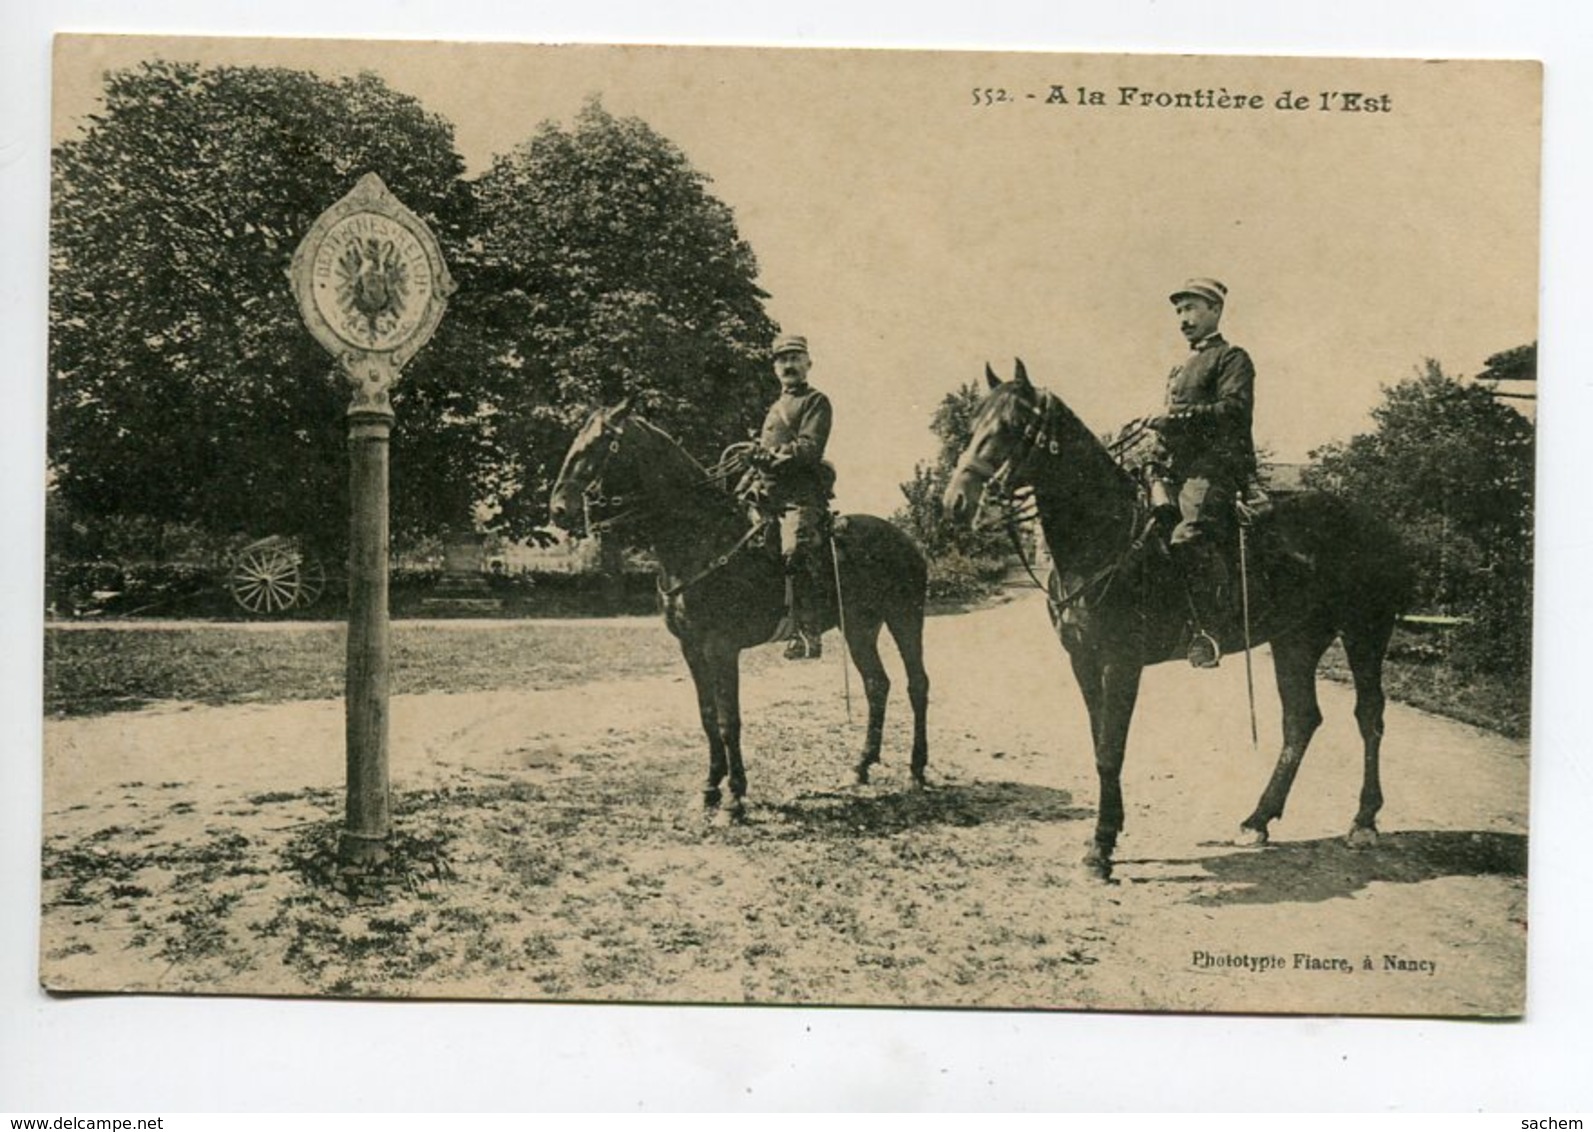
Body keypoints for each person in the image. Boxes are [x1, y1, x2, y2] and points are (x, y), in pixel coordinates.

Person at [1147, 278, 1257, 668]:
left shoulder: (1232, 358)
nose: (1183, 318)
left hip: (1214, 468)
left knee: (1188, 536)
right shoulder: (1181, 367)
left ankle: (1210, 632)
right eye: (1179, 311)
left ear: (1215, 310)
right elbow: (1168, 430)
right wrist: (1153, 453)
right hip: (1176, 470)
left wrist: (1174, 418)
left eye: (1191, 308)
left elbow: (1233, 411)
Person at [745, 332, 834, 660]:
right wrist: (753, 462)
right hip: (766, 496)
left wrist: (776, 455)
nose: (788, 365)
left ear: (808, 363)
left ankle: (807, 630)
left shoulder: (816, 402)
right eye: (782, 360)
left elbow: (810, 447)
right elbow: (764, 453)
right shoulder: (775, 407)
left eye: (795, 358)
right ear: (774, 368)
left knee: (794, 549)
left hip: (800, 496)